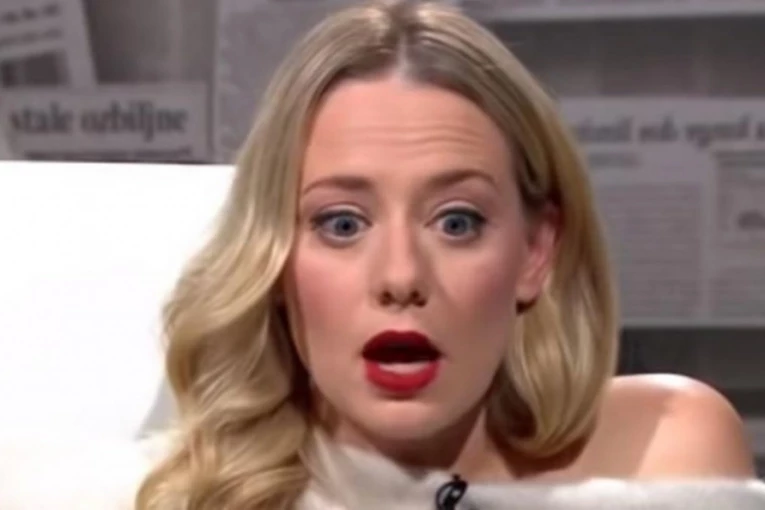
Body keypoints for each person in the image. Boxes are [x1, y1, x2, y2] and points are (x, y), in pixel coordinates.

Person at [134, 1, 763, 509]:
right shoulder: (178, 495)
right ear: (272, 257)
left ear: (535, 250)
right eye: (343, 224)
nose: (401, 277)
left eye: (456, 222)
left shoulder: (663, 450)